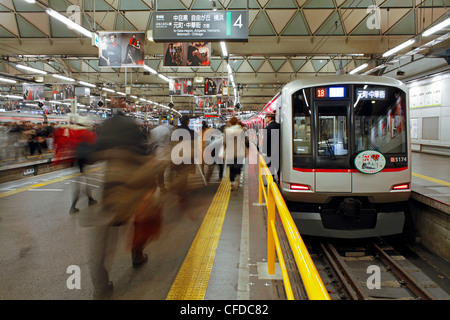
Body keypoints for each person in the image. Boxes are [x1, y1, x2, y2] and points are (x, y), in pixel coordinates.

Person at [84, 110, 164, 298]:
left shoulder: (107, 147)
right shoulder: (139, 149)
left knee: (101, 243)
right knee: (142, 223)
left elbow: (90, 154)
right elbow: (152, 168)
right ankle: (137, 254)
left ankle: (100, 286)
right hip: (136, 197)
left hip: (111, 197)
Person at [223, 117, 248, 191]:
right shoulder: (241, 130)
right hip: (240, 152)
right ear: (237, 122)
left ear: (230, 123)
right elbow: (246, 141)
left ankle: (232, 182)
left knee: (231, 168)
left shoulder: (226, 131)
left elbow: (224, 142)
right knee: (238, 167)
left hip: (230, 152)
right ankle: (237, 179)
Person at [263, 112, 280, 181]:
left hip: (270, 152)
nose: (265, 119)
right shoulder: (279, 126)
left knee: (270, 168)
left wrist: (264, 152)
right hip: (279, 151)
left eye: (266, 117)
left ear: (269, 118)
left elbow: (266, 142)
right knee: (278, 167)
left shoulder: (267, 128)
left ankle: (271, 181)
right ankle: (279, 180)